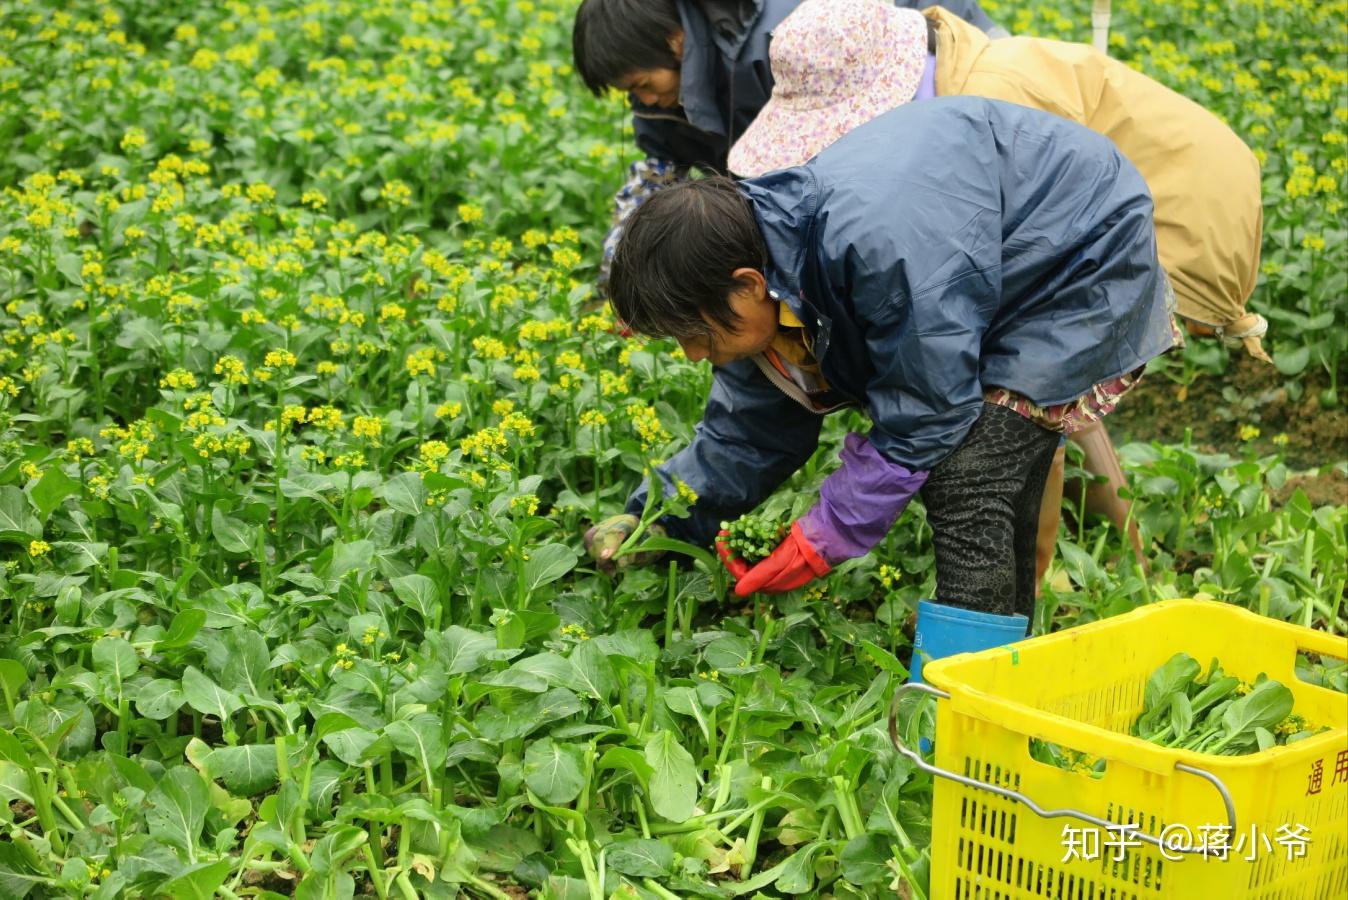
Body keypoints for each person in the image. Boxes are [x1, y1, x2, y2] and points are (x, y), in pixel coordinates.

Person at [589, 97, 1178, 681]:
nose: (694, 353)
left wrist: (832, 529)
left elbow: (929, 413)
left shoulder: (871, 246)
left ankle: (958, 702)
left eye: (694, 332)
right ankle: (1005, 663)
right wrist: (652, 520)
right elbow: (746, 435)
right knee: (992, 462)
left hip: (1079, 247)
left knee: (970, 470)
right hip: (986, 258)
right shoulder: (759, 276)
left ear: (746, 283)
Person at [725, 0, 1269, 582]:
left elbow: (1020, 352)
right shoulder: (935, 112)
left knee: (1015, 410)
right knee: (1032, 398)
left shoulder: (989, 106)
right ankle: (1122, 559)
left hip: (1183, 208)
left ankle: (1045, 584)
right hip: (1115, 208)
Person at [570, 0, 1007, 294]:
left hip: (955, 81)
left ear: (674, 41)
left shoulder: (777, 45)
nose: (643, 100)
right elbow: (654, 178)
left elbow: (843, 179)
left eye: (644, 85)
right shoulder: (663, 94)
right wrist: (617, 280)